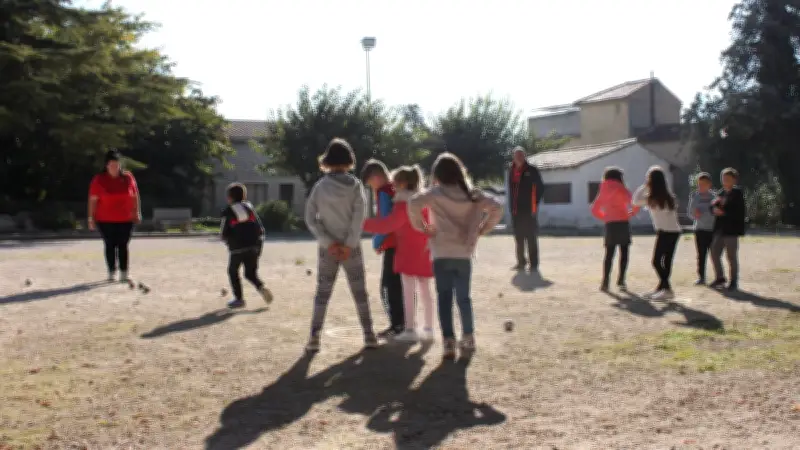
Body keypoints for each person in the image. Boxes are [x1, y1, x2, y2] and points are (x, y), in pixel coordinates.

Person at [407, 153, 503, 359]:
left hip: (441, 252)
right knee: (464, 298)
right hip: (464, 253)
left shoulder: (435, 194)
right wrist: (482, 229)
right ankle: (468, 337)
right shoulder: (471, 194)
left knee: (444, 298)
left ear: (437, 174)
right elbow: (497, 206)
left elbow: (413, 203)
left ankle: (449, 342)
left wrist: (423, 227)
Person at [304, 138, 377, 352]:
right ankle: (369, 335)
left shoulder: (319, 187)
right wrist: (349, 243)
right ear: (349, 160)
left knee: (322, 293)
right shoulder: (356, 186)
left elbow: (310, 218)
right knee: (360, 292)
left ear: (326, 160)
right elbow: (359, 216)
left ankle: (314, 338)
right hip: (351, 248)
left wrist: (328, 241)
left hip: (328, 249)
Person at [363, 165, 435, 344]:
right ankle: (429, 327)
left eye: (395, 182)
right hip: (425, 251)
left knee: (408, 291)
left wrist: (362, 224)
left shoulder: (403, 205)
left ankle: (410, 328)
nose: (392, 186)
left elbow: (388, 225)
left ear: (402, 184)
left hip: (407, 253)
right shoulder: (424, 202)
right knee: (426, 291)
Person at [360, 159, 404, 339]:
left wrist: (377, 242)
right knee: (400, 285)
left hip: (392, 245)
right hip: (403, 244)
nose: (372, 188)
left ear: (376, 177)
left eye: (371, 184)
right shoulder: (396, 187)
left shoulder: (384, 192)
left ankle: (396, 324)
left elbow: (385, 221)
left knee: (387, 286)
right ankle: (404, 322)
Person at [87, 150, 141, 282]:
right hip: (105, 219)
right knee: (110, 244)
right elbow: (93, 200)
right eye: (111, 164)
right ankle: (111, 271)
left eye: (117, 164)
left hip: (126, 218)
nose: (114, 167)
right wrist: (91, 217)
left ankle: (124, 272)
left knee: (123, 245)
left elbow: (135, 196)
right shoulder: (99, 180)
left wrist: (137, 212)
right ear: (106, 165)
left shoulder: (128, 177)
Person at [632, 166, 683, 300]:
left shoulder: (660, 198)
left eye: (648, 179)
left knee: (658, 261)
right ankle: (662, 287)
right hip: (667, 231)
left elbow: (636, 200)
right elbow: (635, 201)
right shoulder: (659, 197)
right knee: (664, 261)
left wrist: (644, 186)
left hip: (669, 232)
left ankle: (667, 288)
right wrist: (645, 186)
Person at [220, 183, 273, 309]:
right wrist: (258, 246)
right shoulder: (249, 208)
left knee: (233, 271)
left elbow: (224, 232)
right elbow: (260, 228)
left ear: (230, 197)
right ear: (244, 195)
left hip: (237, 248)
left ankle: (239, 299)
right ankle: (261, 287)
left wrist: (226, 239)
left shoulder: (229, 210)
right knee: (250, 273)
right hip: (254, 246)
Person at [590, 167, 640, 292]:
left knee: (609, 254)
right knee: (624, 253)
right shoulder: (622, 189)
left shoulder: (603, 189)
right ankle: (621, 280)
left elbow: (594, 209)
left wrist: (605, 217)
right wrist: (630, 214)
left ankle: (605, 282)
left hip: (610, 224)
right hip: (623, 222)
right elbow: (634, 204)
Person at [506, 146, 545, 273]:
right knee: (518, 237)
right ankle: (521, 262)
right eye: (516, 155)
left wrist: (535, 204)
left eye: (521, 155)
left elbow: (540, 188)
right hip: (516, 210)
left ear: (525, 156)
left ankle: (534, 264)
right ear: (513, 157)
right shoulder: (511, 170)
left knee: (531, 237)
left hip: (529, 210)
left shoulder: (532, 170)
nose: (519, 157)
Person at [709, 167, 746, 291]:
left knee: (731, 256)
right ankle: (720, 277)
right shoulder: (720, 193)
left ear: (734, 180)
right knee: (714, 253)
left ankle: (733, 281)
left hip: (731, 230)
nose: (725, 181)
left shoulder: (737, 194)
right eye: (723, 178)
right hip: (719, 229)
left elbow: (739, 212)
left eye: (728, 179)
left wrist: (723, 212)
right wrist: (713, 209)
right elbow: (712, 206)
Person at [687, 172, 717, 285]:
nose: (701, 186)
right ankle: (701, 277)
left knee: (714, 254)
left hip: (712, 229)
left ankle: (718, 277)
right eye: (699, 184)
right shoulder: (695, 196)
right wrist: (695, 214)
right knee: (701, 254)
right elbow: (690, 213)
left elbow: (717, 212)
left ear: (709, 184)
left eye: (704, 184)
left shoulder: (714, 197)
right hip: (700, 229)